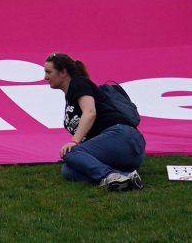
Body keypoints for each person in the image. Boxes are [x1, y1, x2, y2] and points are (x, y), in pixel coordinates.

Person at [42, 52, 144, 190]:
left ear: (63, 72)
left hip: (122, 137)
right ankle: (126, 176)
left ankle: (110, 176)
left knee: (71, 153)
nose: (45, 77)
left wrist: (74, 141)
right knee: (69, 171)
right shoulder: (71, 95)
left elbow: (90, 113)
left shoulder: (79, 83)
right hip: (128, 154)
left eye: (48, 72)